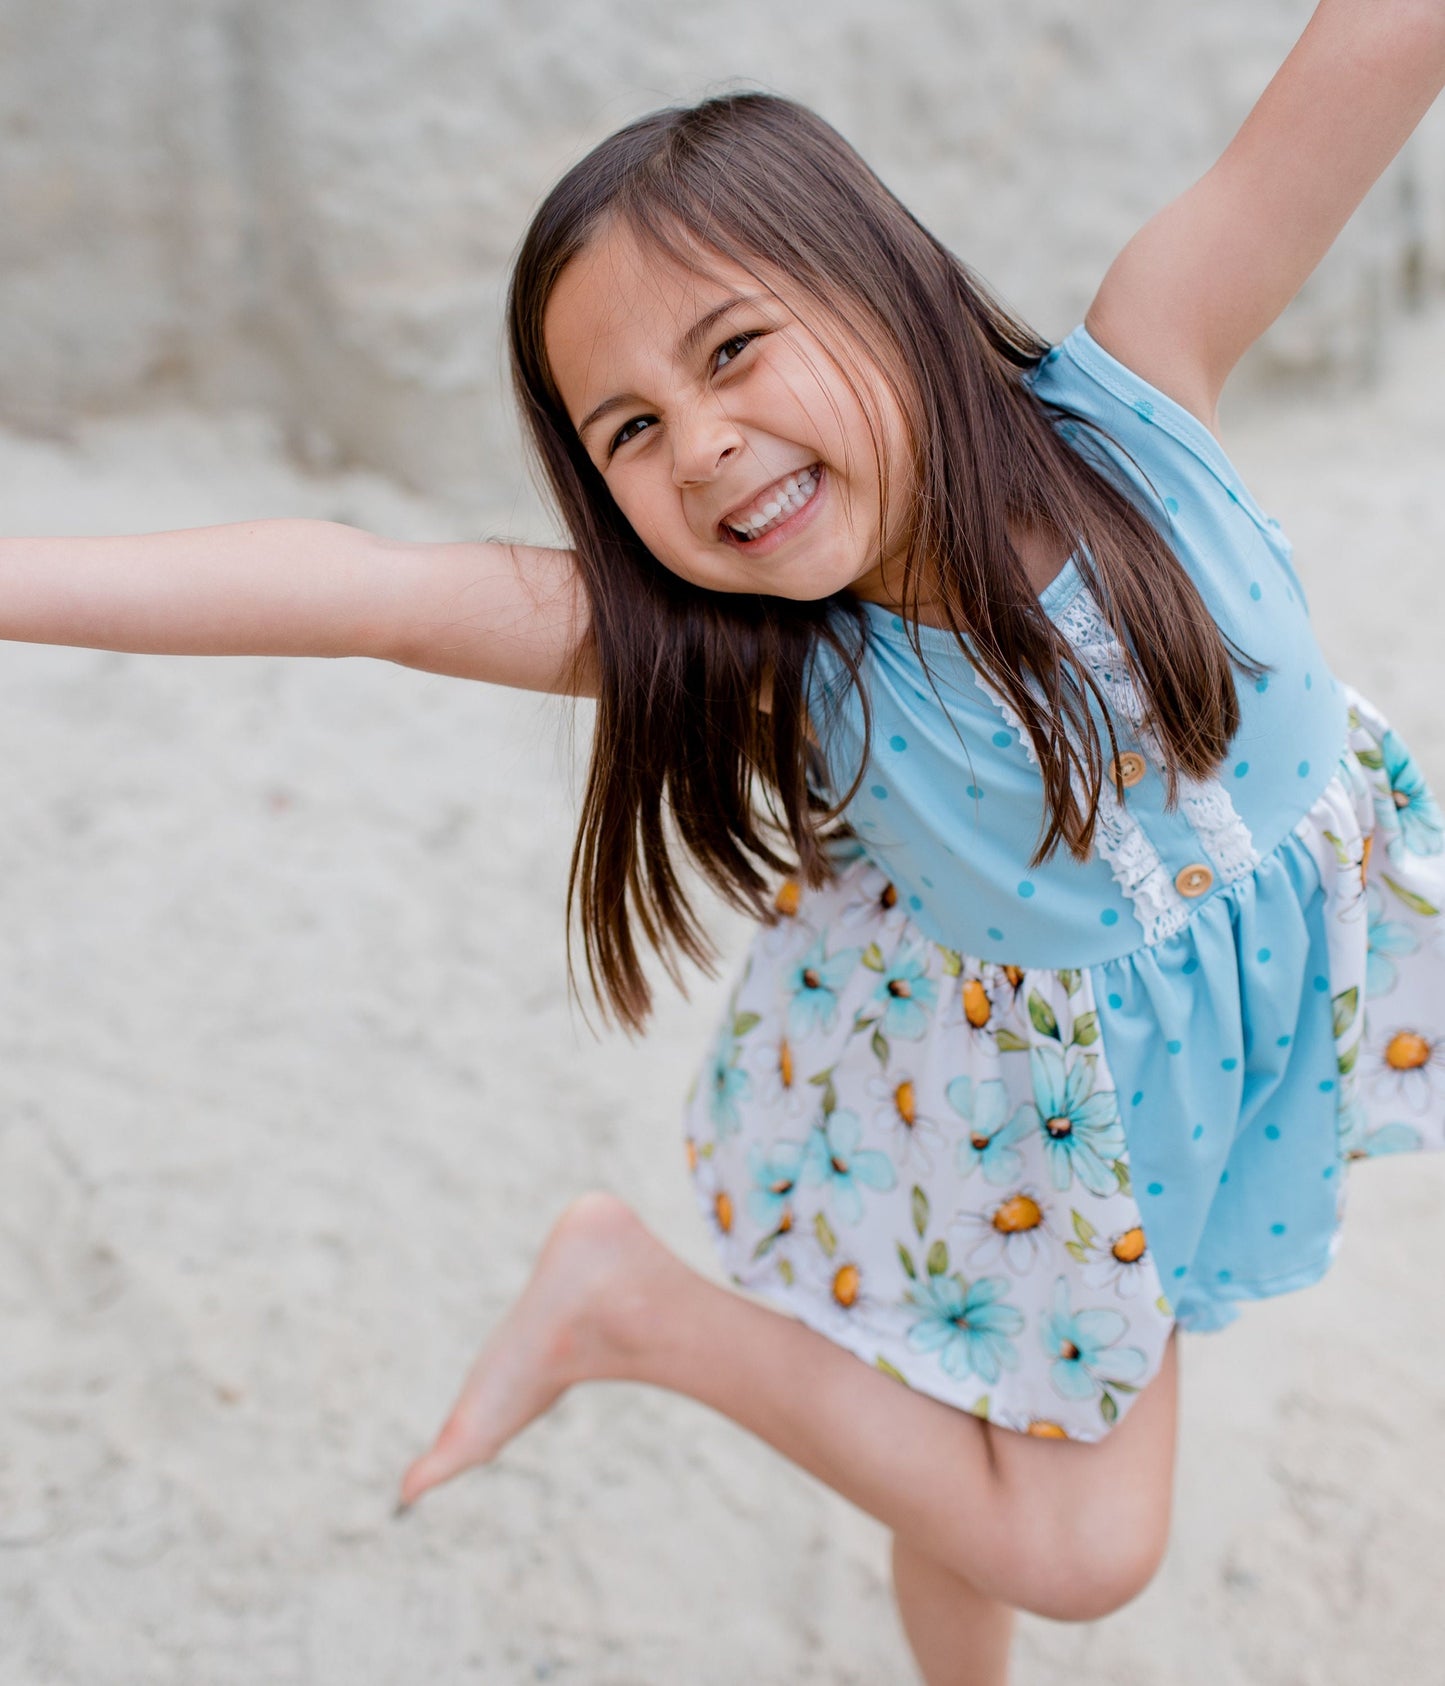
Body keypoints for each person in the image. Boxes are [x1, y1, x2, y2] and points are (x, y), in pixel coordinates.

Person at [8, 6, 1444, 1682]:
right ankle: (629, 1305)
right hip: (1035, 1141)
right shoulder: (791, 665)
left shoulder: (1143, 380)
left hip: (1263, 1027)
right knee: (1073, 1547)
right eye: (622, 429)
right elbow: (368, 595)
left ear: (884, 287)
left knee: (973, 1469)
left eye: (731, 349)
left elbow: (1361, 68)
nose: (695, 442)